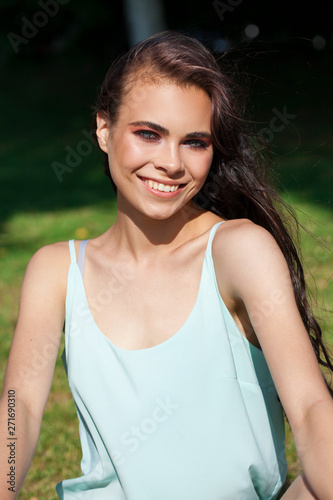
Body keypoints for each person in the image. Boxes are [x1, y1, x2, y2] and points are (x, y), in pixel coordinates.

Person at [0, 30, 333, 500]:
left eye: (195, 142)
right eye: (148, 134)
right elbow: (20, 411)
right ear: (103, 130)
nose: (171, 163)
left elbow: (311, 406)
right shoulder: (56, 270)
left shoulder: (238, 251)